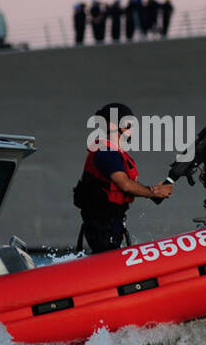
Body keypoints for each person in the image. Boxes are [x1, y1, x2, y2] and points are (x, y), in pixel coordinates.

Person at [73, 103, 172, 253]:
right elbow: (125, 184)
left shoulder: (112, 151)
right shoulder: (107, 151)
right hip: (102, 224)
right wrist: (154, 192)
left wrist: (153, 190)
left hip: (110, 222)